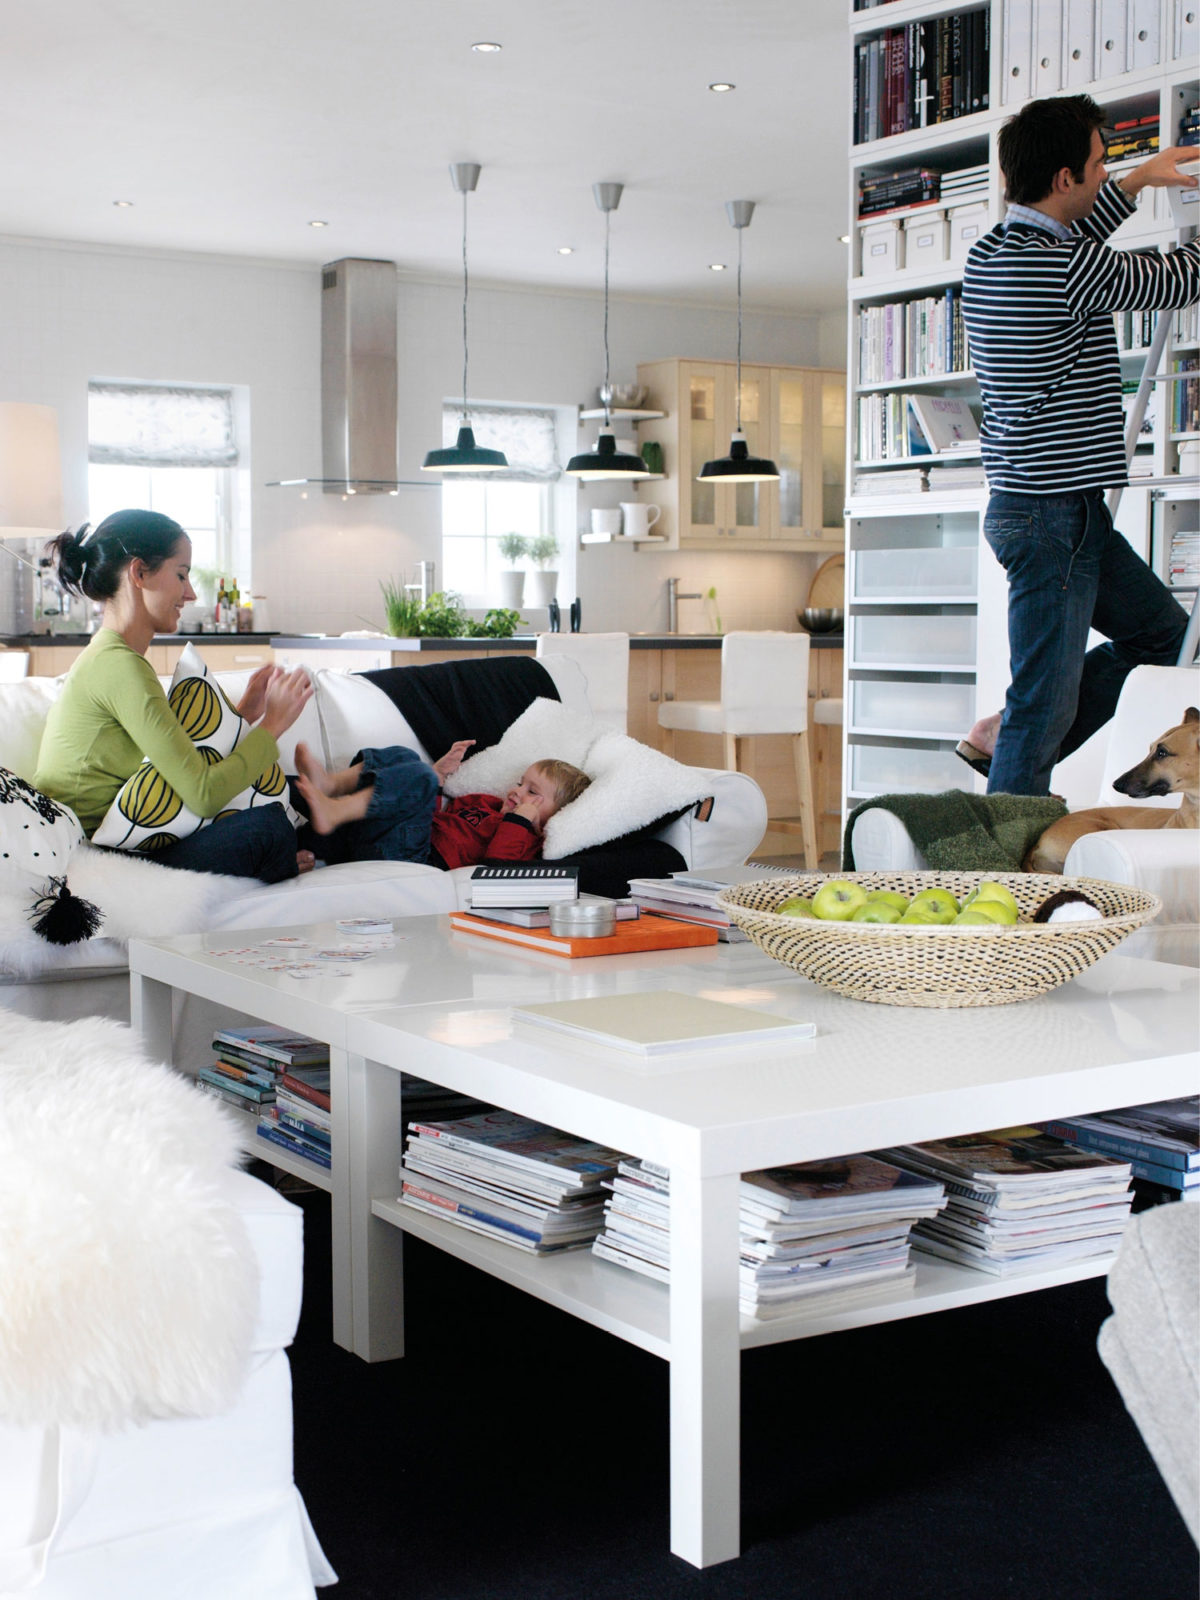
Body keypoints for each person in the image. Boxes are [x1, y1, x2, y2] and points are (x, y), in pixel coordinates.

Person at [959, 95, 1200, 796]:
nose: (1104, 175)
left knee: (1164, 638)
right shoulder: (1066, 267)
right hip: (1050, 515)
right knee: (1044, 702)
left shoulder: (996, 251)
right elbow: (1180, 279)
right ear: (1064, 177)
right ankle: (1002, 851)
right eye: (1099, 165)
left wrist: (1141, 179)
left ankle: (1006, 735)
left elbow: (1077, 230)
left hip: (1057, 509)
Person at [35, 509, 314, 881]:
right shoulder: (119, 667)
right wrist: (273, 725)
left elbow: (179, 760)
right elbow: (203, 794)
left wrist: (245, 714)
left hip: (131, 836)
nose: (191, 593)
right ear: (138, 573)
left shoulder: (112, 657)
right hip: (103, 857)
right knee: (268, 827)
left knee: (298, 793)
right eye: (181, 575)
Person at [292, 740, 591, 868]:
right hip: (400, 837)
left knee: (420, 775)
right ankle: (332, 785)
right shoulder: (485, 802)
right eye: (520, 782)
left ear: (557, 814)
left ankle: (335, 810)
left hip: (418, 860)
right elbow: (435, 816)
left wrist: (520, 821)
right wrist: (437, 778)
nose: (517, 791)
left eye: (532, 792)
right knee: (406, 756)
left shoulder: (526, 840)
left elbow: (498, 865)